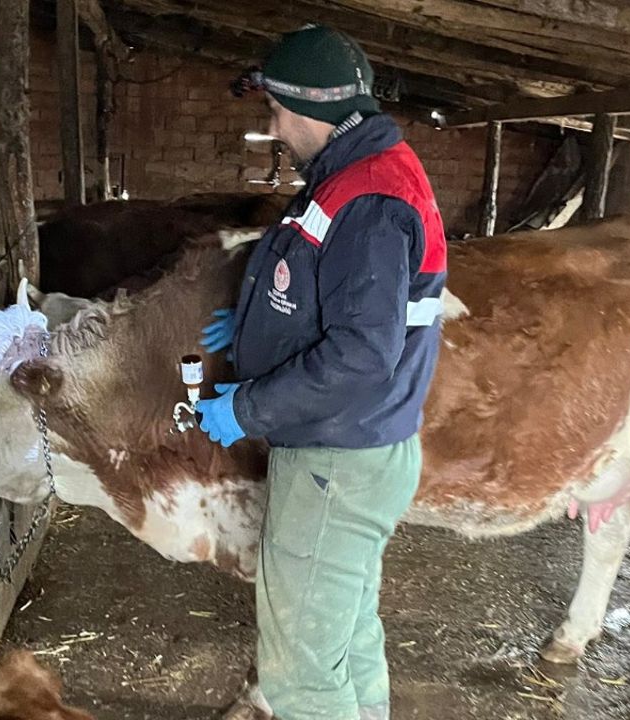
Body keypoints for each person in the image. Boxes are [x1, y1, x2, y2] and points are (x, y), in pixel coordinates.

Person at [195, 24, 448, 720]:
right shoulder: (358, 177)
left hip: (337, 459)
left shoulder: (366, 199)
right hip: (361, 449)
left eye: (275, 111)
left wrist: (244, 409)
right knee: (346, 637)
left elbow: (362, 356)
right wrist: (249, 331)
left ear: (309, 110)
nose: (273, 127)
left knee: (302, 674)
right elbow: (320, 295)